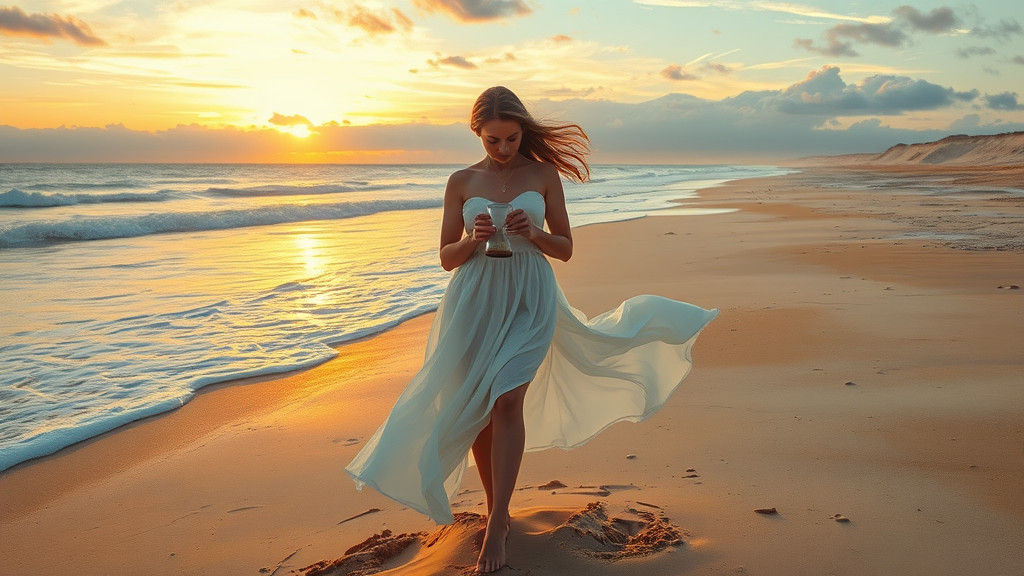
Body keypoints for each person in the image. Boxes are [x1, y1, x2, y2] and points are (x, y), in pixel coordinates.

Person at [345, 86, 718, 574]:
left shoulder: (543, 175)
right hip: (473, 301)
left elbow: (564, 248)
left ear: (524, 131)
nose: (503, 150)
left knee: (506, 399)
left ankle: (498, 520)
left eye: (512, 138)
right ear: (477, 132)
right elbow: (444, 259)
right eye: (493, 140)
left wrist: (533, 233)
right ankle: (493, 504)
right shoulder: (460, 181)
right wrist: (471, 240)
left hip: (530, 297)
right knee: (478, 405)